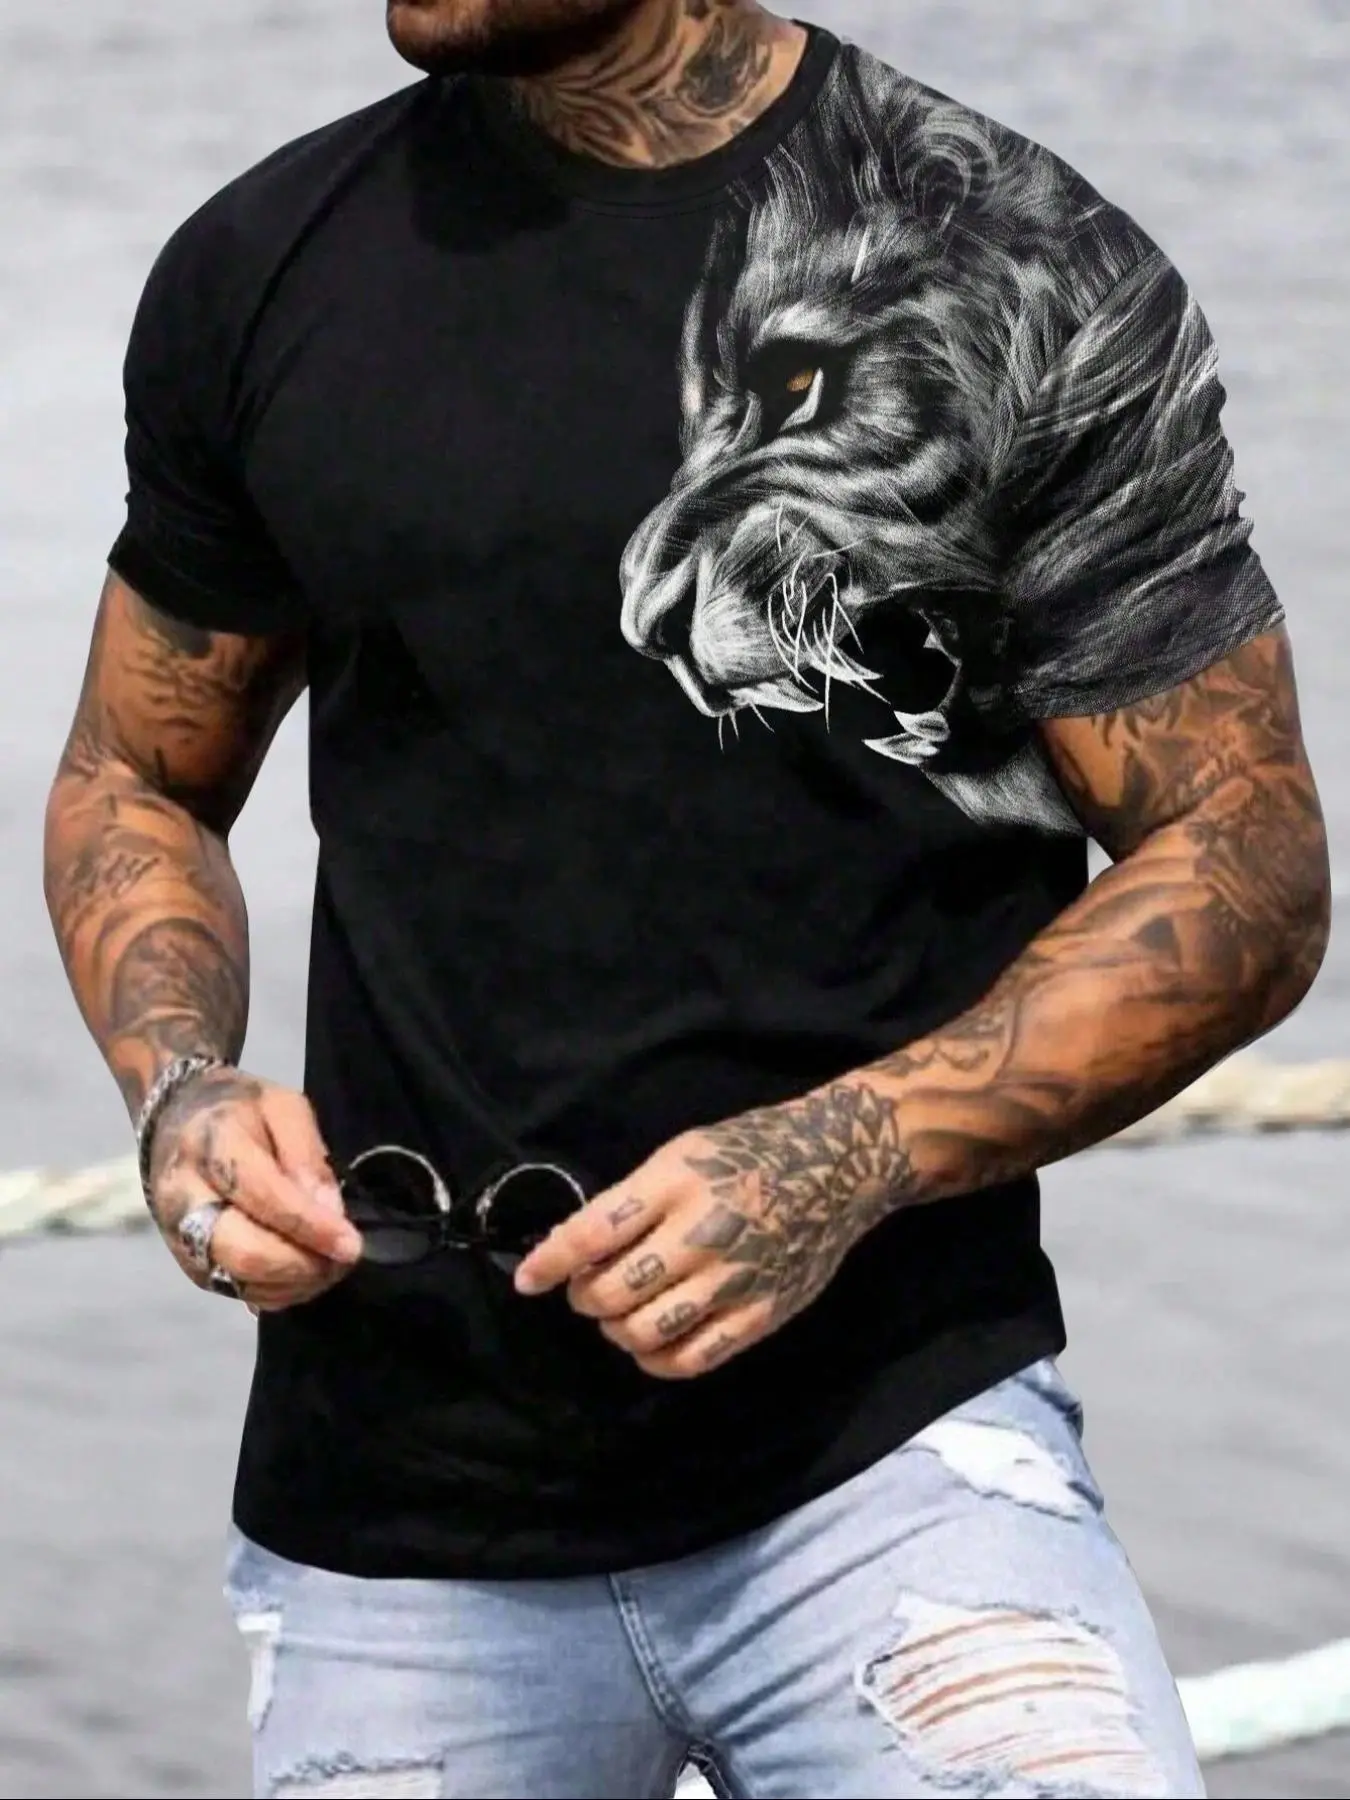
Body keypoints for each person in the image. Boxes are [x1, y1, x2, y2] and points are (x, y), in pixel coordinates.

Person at [44, 2, 1330, 1795]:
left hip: (884, 1464)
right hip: (394, 1511)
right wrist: (180, 1086)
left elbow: (1243, 855)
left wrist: (842, 1155)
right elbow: (137, 776)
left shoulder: (1017, 261)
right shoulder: (262, 265)